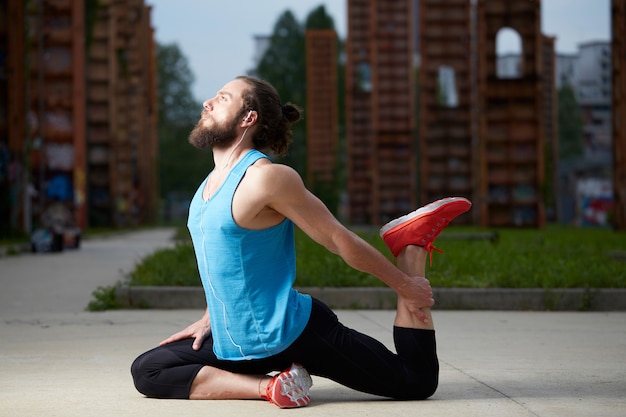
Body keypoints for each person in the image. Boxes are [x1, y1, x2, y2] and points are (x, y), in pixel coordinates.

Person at [131, 75, 472, 408]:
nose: (207, 103)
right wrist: (210, 317)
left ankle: (410, 246)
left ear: (248, 118)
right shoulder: (206, 189)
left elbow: (337, 239)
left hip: (295, 334)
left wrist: (405, 285)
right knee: (149, 370)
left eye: (222, 98)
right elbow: (225, 265)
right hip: (238, 342)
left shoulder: (267, 178)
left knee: (417, 381)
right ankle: (273, 386)